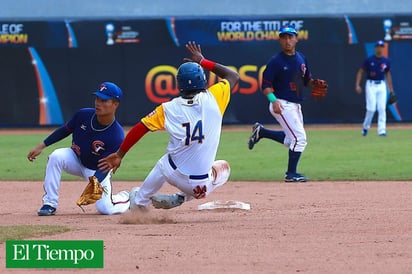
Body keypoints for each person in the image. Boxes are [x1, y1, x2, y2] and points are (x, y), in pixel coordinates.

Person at [98, 41, 239, 210]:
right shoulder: (215, 98)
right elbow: (233, 76)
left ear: (179, 83)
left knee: (165, 162)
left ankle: (141, 202)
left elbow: (140, 128)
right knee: (224, 167)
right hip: (201, 186)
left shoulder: (168, 109)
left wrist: (120, 153)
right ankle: (181, 198)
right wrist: (202, 61)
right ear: (202, 79)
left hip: (173, 174)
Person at [27, 82, 130, 216]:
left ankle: (127, 197)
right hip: (75, 158)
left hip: (95, 170)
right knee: (56, 156)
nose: (98, 103)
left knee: (106, 209)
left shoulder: (116, 135)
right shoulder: (83, 115)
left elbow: (106, 166)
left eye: (104, 100)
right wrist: (42, 146)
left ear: (115, 104)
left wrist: (94, 184)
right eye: (97, 98)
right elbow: (64, 130)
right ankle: (49, 203)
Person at [248, 24, 326, 183]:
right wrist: (273, 100)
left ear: (296, 39)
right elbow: (265, 85)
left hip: (295, 104)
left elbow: (306, 80)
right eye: (284, 37)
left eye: (290, 37)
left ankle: (262, 132)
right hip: (281, 104)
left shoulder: (301, 58)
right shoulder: (276, 61)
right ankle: (291, 174)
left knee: (292, 140)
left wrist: (314, 83)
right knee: (300, 139)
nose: (287, 40)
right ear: (280, 40)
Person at [355, 40, 395, 137]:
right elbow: (360, 71)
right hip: (371, 84)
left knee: (381, 108)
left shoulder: (386, 61)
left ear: (383, 48)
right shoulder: (369, 60)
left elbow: (388, 74)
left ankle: (382, 131)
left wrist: (391, 89)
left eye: (381, 46)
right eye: (378, 46)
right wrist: (357, 84)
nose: (380, 48)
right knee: (371, 109)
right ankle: (365, 127)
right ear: (375, 48)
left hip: (381, 85)